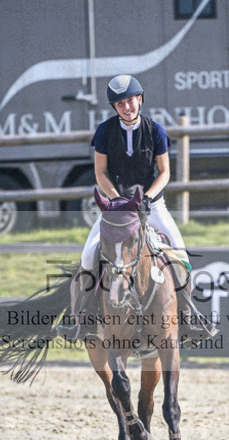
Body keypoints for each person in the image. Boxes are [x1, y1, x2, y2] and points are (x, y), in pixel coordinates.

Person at [57, 74, 217, 341]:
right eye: (120, 104)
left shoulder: (156, 131)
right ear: (114, 107)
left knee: (182, 258)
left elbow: (164, 172)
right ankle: (81, 320)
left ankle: (188, 320)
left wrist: (148, 198)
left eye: (130, 101)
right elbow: (100, 173)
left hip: (151, 206)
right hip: (117, 208)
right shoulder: (104, 132)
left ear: (140, 99)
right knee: (87, 257)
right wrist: (116, 201)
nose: (127, 107)